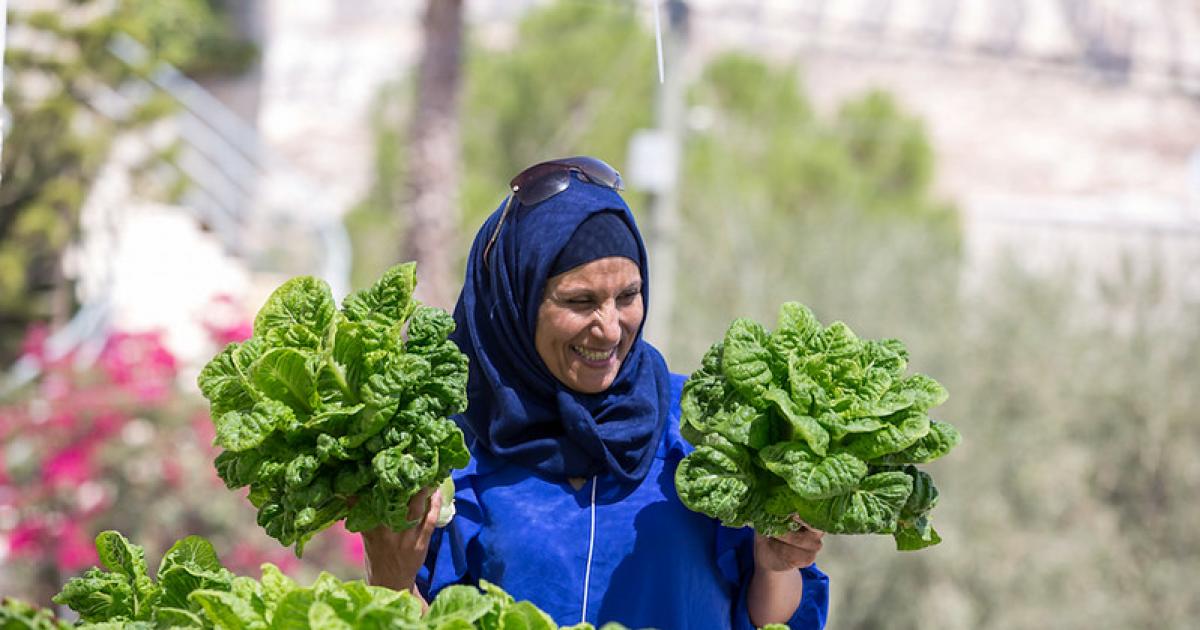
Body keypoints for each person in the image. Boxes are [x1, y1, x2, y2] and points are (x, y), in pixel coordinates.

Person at [362, 156, 829, 629]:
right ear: (516, 304)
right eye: (579, 301)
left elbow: (768, 618)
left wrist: (776, 568)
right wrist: (393, 584)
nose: (609, 329)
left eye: (627, 296)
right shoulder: (447, 447)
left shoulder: (701, 428)